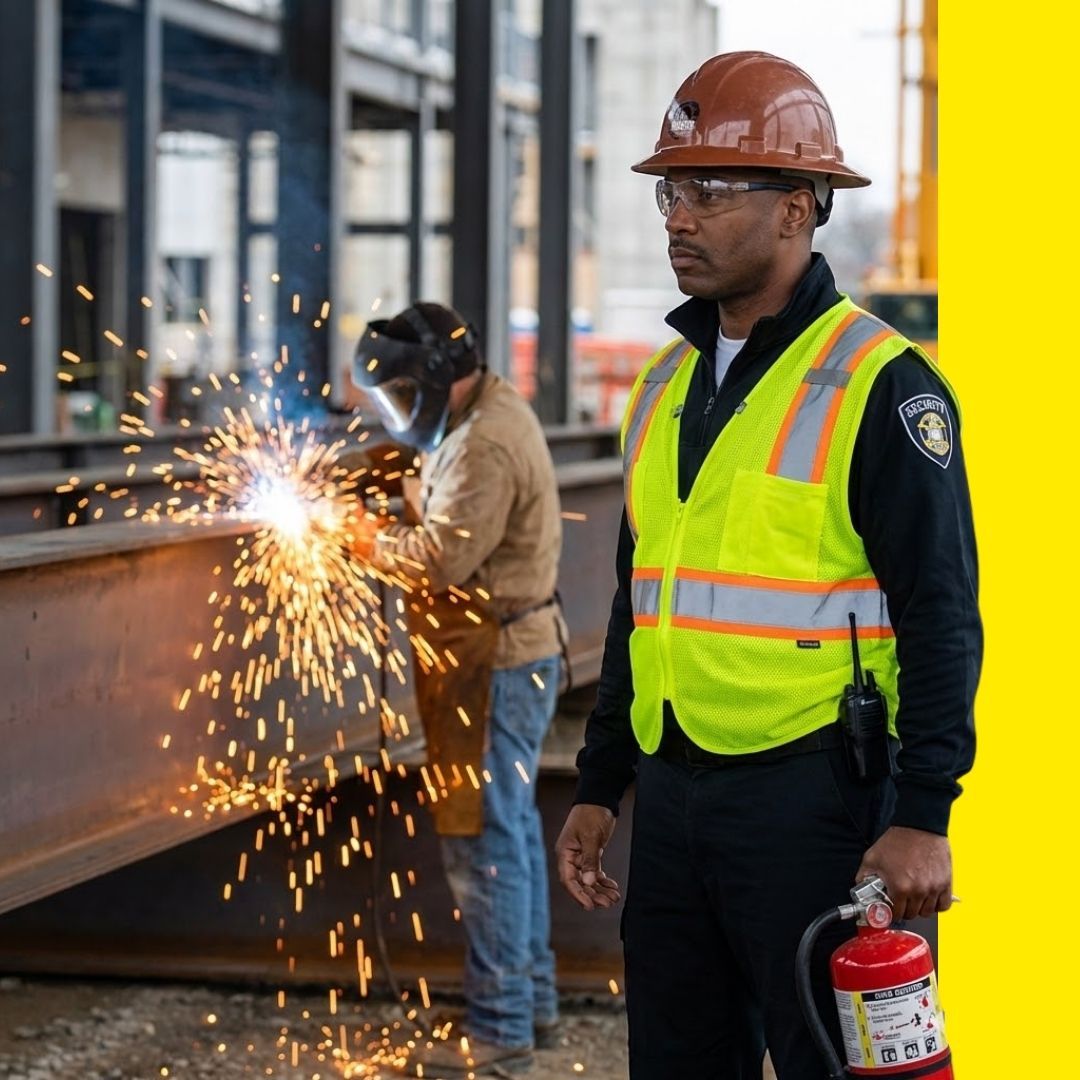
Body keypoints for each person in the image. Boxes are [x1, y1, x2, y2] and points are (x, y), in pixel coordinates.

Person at [554, 51, 980, 1079]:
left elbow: (941, 614)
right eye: (670, 189)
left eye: (708, 190)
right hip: (677, 795)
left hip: (821, 806)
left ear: (798, 207)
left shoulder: (882, 384)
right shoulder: (661, 387)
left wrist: (925, 815)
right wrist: (603, 782)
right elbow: (641, 606)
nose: (677, 217)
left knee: (836, 1063)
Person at [350, 301, 565, 1077]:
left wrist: (356, 532)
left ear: (440, 379)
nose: (400, 413)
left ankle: (503, 1031)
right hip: (503, 654)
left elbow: (440, 562)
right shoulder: (478, 418)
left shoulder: (487, 447)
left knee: (486, 847)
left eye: (404, 395)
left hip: (498, 662)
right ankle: (528, 1006)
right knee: (507, 836)